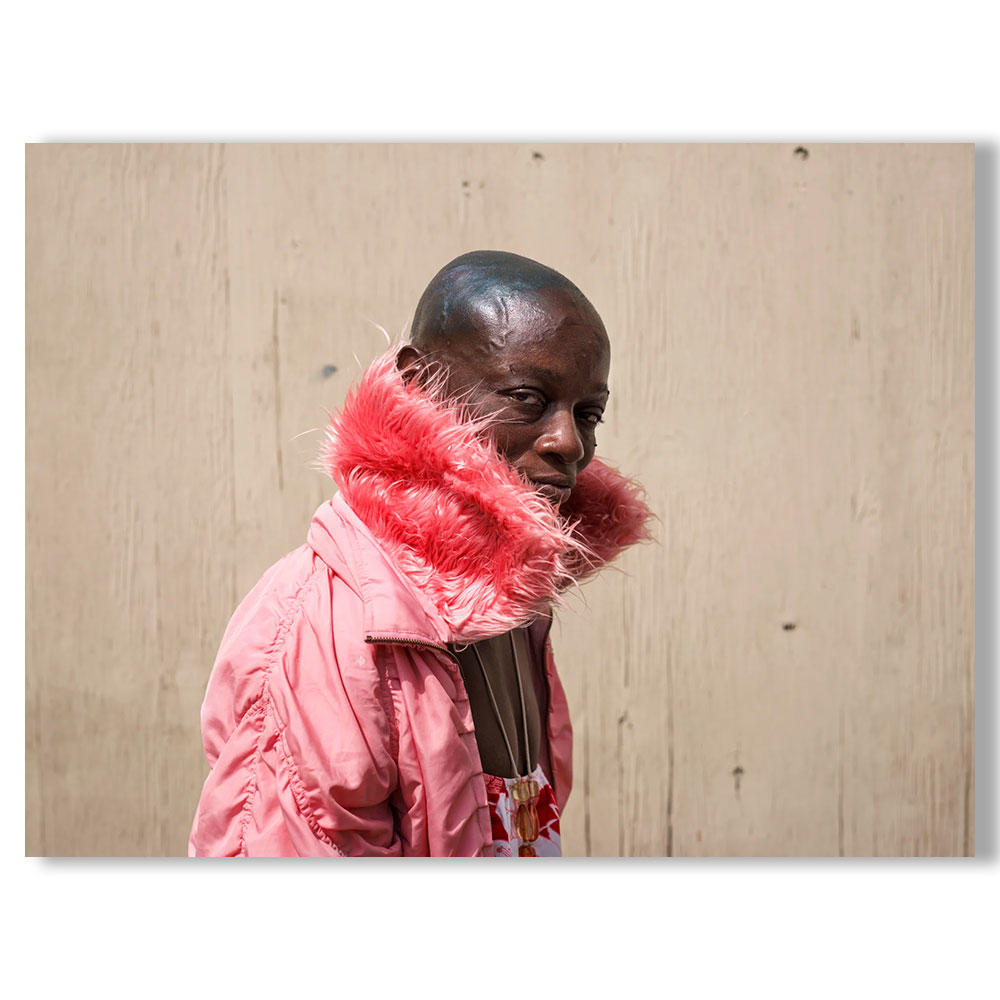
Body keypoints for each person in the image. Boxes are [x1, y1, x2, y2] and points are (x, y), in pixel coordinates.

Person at [188, 250, 653, 857]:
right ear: (419, 382)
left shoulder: (517, 598)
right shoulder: (319, 627)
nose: (569, 441)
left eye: (589, 413)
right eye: (527, 398)